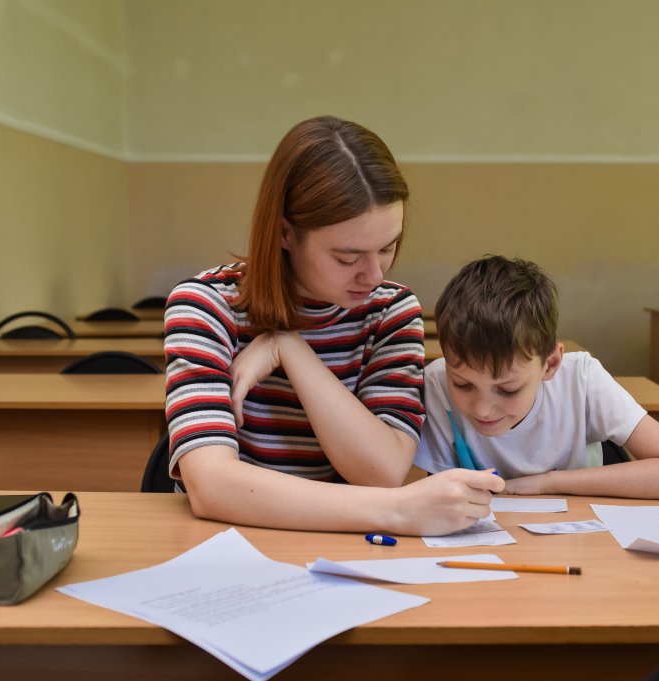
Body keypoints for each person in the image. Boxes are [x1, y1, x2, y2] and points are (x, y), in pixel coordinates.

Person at [165, 116, 502, 536]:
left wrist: (289, 349)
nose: (374, 275)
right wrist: (394, 511)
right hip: (236, 547)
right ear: (286, 232)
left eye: (388, 247)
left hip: (347, 554)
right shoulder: (205, 304)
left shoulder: (391, 310)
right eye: (347, 258)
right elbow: (212, 487)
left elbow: (380, 471)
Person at [413, 256, 659, 500]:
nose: (482, 409)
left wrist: (548, 483)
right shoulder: (435, 385)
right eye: (462, 385)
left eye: (508, 390)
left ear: (550, 363)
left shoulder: (581, 380)